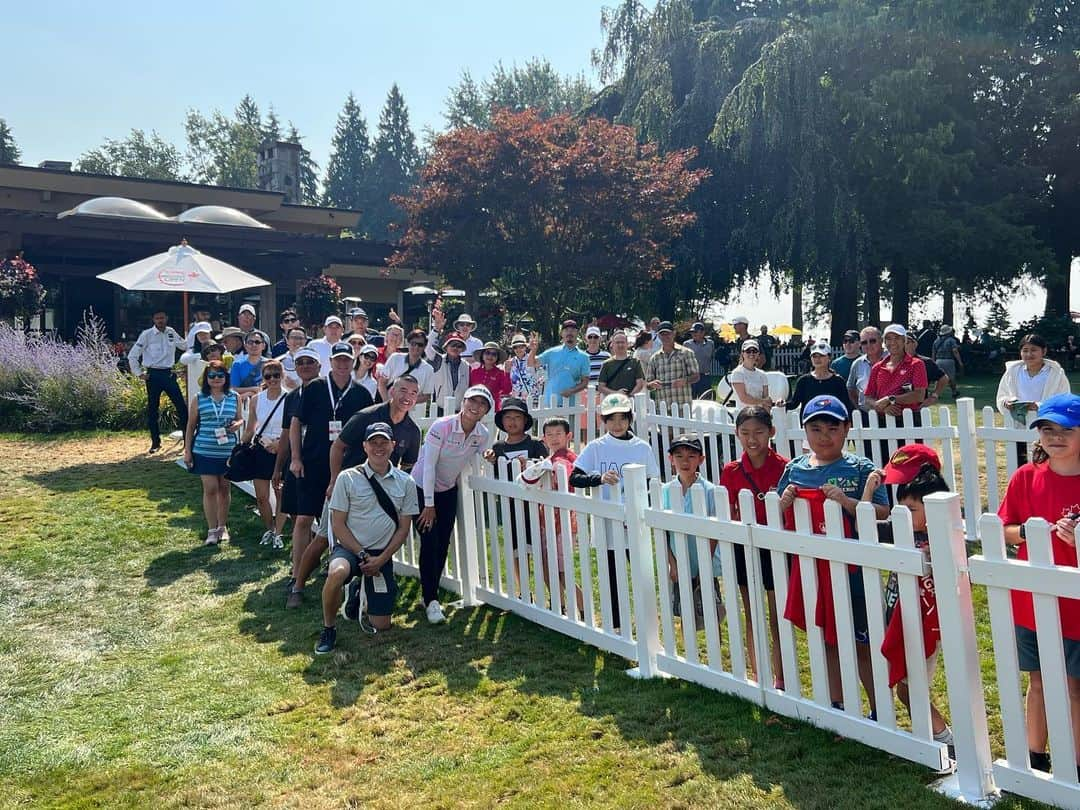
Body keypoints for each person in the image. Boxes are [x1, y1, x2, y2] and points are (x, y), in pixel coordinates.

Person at [777, 395, 890, 715]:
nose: (824, 436)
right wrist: (783, 503)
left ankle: (878, 705)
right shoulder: (795, 469)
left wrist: (845, 501)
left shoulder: (860, 469)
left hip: (854, 570)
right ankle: (837, 702)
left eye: (832, 428)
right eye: (815, 429)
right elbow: (772, 514)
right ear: (804, 432)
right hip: (810, 568)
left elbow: (881, 511)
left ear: (847, 430)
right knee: (826, 637)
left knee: (863, 642)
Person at [287, 375, 424, 609]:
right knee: (322, 538)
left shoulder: (412, 430)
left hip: (381, 495)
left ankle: (360, 587)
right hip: (349, 485)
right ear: (391, 392)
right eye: (403, 390)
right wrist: (333, 481)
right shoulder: (367, 417)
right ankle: (297, 586)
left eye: (413, 393)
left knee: (378, 539)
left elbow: (408, 466)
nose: (407, 397)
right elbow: (338, 446)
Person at [997, 392, 1080, 776]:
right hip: (1031, 600)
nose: (1056, 437)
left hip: (1075, 604)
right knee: (1039, 680)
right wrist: (1033, 534)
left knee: (1074, 684)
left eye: (1066, 430)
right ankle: (1035, 755)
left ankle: (1076, 762)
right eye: (1048, 429)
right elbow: (1004, 529)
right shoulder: (1025, 478)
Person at [865, 444, 955, 755]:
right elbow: (866, 528)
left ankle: (944, 738)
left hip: (925, 622)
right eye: (899, 507)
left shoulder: (945, 536)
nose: (902, 514)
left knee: (910, 685)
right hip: (897, 618)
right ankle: (935, 735)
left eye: (911, 509)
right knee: (906, 684)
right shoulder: (899, 528)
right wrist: (867, 492)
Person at [314, 422, 420, 654]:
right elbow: (338, 524)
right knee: (336, 572)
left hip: (381, 555)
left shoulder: (406, 482)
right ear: (364, 446)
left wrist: (380, 560)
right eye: (374, 443)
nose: (379, 448)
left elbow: (403, 530)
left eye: (384, 443)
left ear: (393, 446)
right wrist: (361, 554)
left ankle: (357, 593)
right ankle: (328, 628)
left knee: (381, 626)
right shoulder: (347, 477)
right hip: (351, 550)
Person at [288, 342, 373, 596]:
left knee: (337, 522)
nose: (343, 364)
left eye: (347, 360)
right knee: (304, 518)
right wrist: (295, 457)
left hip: (346, 467)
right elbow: (295, 423)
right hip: (313, 461)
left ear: (353, 361)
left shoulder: (361, 393)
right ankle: (296, 574)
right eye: (338, 360)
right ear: (331, 362)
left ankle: (330, 563)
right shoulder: (314, 387)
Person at [570, 393, 660, 632]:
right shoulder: (596, 447)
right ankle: (617, 625)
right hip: (605, 522)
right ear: (603, 421)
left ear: (630, 418)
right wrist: (598, 478)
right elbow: (575, 477)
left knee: (642, 574)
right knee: (611, 574)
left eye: (622, 418)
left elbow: (653, 481)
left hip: (634, 521)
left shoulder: (642, 447)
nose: (617, 424)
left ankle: (647, 624)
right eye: (611, 419)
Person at [413, 385, 494, 624]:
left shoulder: (482, 433)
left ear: (486, 410)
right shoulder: (442, 426)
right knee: (429, 541)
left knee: (442, 543)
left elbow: (481, 453)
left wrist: (488, 455)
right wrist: (428, 504)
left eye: (481, 404)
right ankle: (431, 600)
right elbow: (428, 466)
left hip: (448, 490)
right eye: (472, 400)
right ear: (463, 401)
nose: (475, 406)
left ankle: (429, 593)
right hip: (421, 488)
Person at [719, 406, 788, 688]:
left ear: (771, 432)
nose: (752, 439)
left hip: (776, 547)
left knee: (777, 615)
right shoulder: (731, 470)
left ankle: (781, 677)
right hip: (744, 547)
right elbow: (728, 510)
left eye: (759, 432)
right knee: (752, 613)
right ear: (737, 434)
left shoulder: (785, 466)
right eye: (745, 433)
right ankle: (759, 673)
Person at [516, 417, 581, 612]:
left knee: (561, 571)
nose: (554, 438)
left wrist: (554, 471)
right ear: (543, 438)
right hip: (548, 520)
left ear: (568, 436)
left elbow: (567, 475)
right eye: (549, 435)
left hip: (563, 522)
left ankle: (582, 608)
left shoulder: (567, 458)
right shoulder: (549, 459)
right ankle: (558, 604)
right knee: (547, 565)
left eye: (558, 434)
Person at [272, 347, 322, 594]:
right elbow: (285, 434)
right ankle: (297, 571)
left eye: (309, 362)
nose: (304, 366)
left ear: (319, 366)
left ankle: (323, 564)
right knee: (301, 518)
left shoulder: (328, 392)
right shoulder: (291, 398)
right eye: (300, 362)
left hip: (323, 463)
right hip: (298, 463)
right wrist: (279, 467)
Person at [660, 433, 724, 626]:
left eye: (691, 456)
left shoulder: (710, 490)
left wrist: (706, 562)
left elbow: (715, 529)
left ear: (701, 459)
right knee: (685, 613)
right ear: (671, 459)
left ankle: (716, 651)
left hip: (706, 562)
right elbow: (663, 531)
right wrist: (673, 563)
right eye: (679, 456)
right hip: (679, 562)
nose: (685, 461)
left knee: (710, 612)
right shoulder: (666, 490)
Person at [182, 360, 243, 545]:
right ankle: (211, 529)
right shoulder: (199, 398)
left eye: (220, 375)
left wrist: (237, 425)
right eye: (212, 376)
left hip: (227, 451)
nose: (216, 379)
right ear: (206, 378)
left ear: (226, 378)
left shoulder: (234, 397)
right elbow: (191, 426)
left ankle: (222, 527)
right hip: (204, 449)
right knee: (210, 489)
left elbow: (240, 419)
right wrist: (187, 451)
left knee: (225, 489)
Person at [241, 358, 288, 546]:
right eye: (269, 376)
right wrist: (239, 446)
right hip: (261, 448)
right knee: (261, 496)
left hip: (281, 448)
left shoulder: (289, 397)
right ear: (264, 378)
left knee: (280, 493)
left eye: (276, 375)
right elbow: (251, 428)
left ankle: (279, 531)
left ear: (282, 376)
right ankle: (269, 528)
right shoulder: (256, 399)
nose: (273, 379)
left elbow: (293, 428)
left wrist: (279, 444)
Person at [128, 310, 188, 453]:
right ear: (153, 319)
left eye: (162, 317)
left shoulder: (171, 332)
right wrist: (139, 373)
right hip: (153, 374)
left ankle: (188, 440)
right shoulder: (147, 335)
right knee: (153, 410)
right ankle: (155, 443)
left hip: (168, 373)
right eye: (157, 318)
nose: (160, 320)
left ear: (166, 318)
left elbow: (185, 346)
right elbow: (133, 355)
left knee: (182, 407)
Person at [996, 333, 1071, 429]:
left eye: (1033, 350)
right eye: (1025, 350)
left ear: (1043, 351)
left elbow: (1063, 401)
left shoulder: (1056, 374)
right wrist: (1006, 402)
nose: (1029, 354)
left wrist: (1039, 406)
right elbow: (1002, 395)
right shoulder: (1012, 372)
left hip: (1046, 427)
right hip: (1018, 428)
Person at [864, 325, 927, 422]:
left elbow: (919, 395)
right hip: (882, 421)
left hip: (909, 420)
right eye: (888, 339)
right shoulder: (877, 367)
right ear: (884, 342)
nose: (893, 342)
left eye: (897, 338)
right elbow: (868, 397)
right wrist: (882, 407)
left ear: (904, 340)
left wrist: (890, 399)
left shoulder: (916, 364)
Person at [529, 320, 591, 406]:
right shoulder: (551, 352)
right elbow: (532, 364)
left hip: (571, 404)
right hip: (550, 403)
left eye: (572, 330)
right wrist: (533, 350)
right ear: (561, 334)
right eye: (566, 330)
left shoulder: (584, 357)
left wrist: (571, 391)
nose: (569, 333)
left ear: (577, 333)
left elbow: (585, 382)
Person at [785, 341, 853, 415]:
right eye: (814, 356)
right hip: (810, 423)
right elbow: (794, 404)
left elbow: (846, 405)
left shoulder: (838, 381)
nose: (817, 359)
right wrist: (783, 403)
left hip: (832, 422)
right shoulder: (803, 381)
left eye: (821, 355)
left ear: (829, 357)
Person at [646, 320, 700, 411]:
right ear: (658, 336)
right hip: (662, 406)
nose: (665, 336)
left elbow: (696, 376)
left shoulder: (686, 353)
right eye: (662, 334)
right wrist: (652, 384)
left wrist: (685, 381)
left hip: (682, 405)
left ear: (674, 333)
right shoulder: (654, 358)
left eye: (668, 333)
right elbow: (647, 383)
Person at [379, 328, 435, 403]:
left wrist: (406, 403)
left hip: (411, 411)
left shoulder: (428, 369)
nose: (416, 347)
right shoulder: (395, 358)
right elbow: (382, 383)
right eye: (413, 344)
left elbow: (427, 395)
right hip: (387, 405)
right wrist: (387, 403)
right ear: (408, 343)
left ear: (424, 347)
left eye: (420, 345)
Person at [905, 332, 949, 410]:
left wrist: (934, 396)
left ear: (915, 344)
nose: (904, 345)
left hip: (918, 408)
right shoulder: (891, 363)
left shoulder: (925, 362)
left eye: (907, 342)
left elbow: (943, 378)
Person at [847, 326, 885, 414]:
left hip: (892, 415)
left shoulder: (892, 358)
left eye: (872, 341)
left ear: (881, 340)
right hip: (866, 415)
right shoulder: (857, 364)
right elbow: (850, 389)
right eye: (864, 342)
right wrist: (858, 407)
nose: (868, 345)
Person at [430, 331, 472, 411]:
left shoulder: (467, 366)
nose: (455, 348)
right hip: (440, 408)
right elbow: (428, 348)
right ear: (446, 347)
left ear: (462, 349)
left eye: (459, 346)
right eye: (452, 345)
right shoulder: (438, 360)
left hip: (459, 409)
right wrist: (435, 330)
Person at [597, 331, 646, 397]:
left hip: (631, 401)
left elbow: (640, 384)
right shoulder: (606, 364)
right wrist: (616, 393)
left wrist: (628, 396)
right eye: (617, 342)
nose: (620, 345)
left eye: (622, 342)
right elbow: (601, 387)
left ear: (627, 344)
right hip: (612, 402)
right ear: (613, 345)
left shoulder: (635, 362)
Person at [729, 340, 774, 410]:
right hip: (744, 415)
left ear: (758, 353)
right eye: (748, 351)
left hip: (760, 414)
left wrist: (766, 417)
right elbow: (744, 398)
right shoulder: (737, 373)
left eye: (754, 351)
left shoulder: (762, 374)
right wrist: (763, 401)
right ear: (742, 353)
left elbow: (766, 398)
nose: (751, 353)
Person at [180, 321, 214, 405]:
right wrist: (201, 355)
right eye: (200, 334)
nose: (202, 336)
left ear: (210, 334)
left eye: (205, 333)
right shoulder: (193, 351)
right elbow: (183, 359)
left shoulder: (220, 347)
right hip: (198, 387)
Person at [230, 329, 271, 398]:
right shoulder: (237, 364)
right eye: (250, 342)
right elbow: (233, 389)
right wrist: (253, 390)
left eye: (257, 342)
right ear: (245, 346)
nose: (254, 345)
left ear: (263, 346)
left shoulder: (270, 364)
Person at [470, 341, 512, 406]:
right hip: (474, 407)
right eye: (487, 353)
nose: (490, 356)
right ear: (482, 355)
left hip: (492, 408)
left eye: (494, 354)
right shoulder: (474, 372)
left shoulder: (500, 373)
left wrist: (507, 373)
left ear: (497, 358)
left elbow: (507, 390)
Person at [506, 333, 544, 401]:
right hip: (517, 400)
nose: (518, 349)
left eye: (521, 346)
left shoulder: (532, 358)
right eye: (515, 347)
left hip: (533, 399)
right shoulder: (510, 362)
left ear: (525, 347)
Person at [684, 322, 716, 397]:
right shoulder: (687, 344)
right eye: (692, 332)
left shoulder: (710, 344)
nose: (693, 334)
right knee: (691, 401)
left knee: (705, 401)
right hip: (692, 377)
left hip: (705, 377)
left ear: (703, 332)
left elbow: (711, 357)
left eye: (695, 332)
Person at [931, 325, 963, 397]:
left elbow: (933, 353)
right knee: (951, 377)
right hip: (949, 360)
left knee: (938, 378)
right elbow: (955, 351)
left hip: (938, 361)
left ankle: (936, 393)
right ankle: (954, 392)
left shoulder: (936, 341)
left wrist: (933, 363)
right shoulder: (951, 340)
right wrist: (960, 362)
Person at [276, 326, 308, 391]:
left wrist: (296, 387)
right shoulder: (278, 362)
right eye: (294, 338)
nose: (298, 341)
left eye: (301, 338)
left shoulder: (312, 362)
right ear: (287, 340)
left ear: (305, 341)